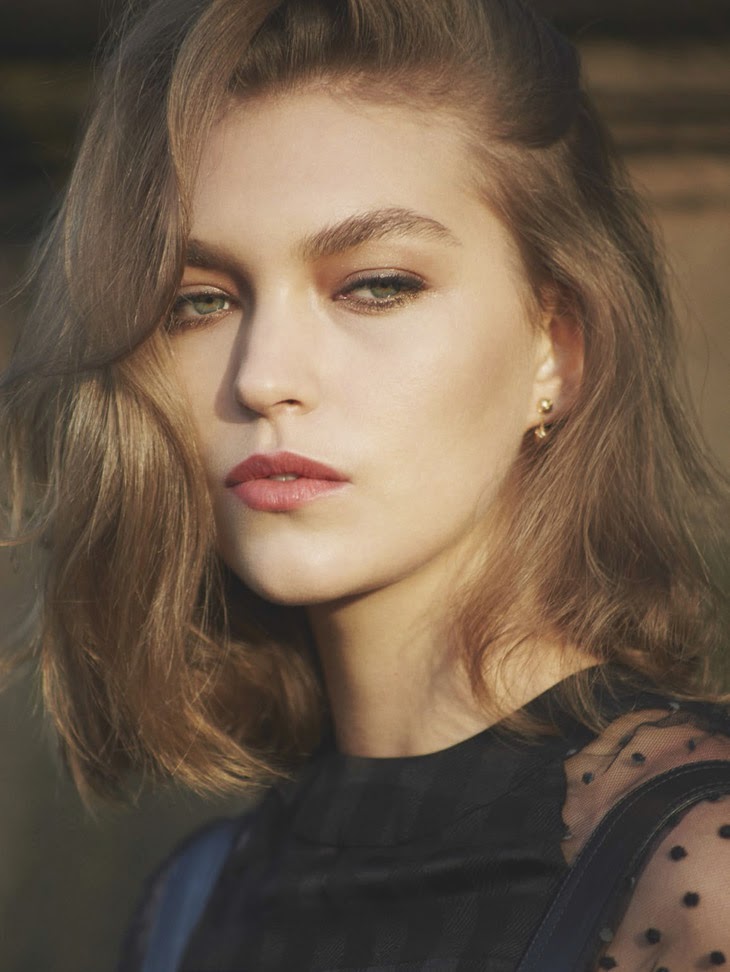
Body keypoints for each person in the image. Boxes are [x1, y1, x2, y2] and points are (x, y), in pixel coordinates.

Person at [2, 0, 729, 969]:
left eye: (376, 286)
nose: (263, 376)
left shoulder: (699, 869)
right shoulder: (190, 906)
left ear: (555, 349)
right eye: (200, 301)